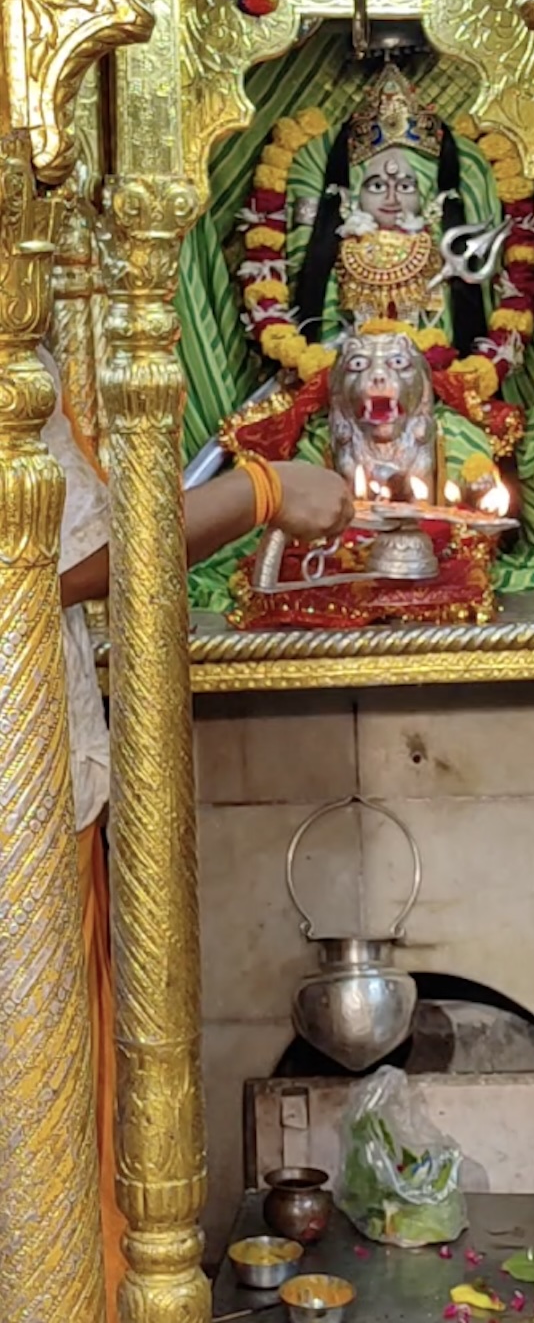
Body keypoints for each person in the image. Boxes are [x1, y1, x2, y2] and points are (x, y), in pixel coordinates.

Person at [39, 344, 353, 1322]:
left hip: (40, 766)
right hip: (21, 787)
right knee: (44, 1115)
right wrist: (263, 492)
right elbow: (69, 564)